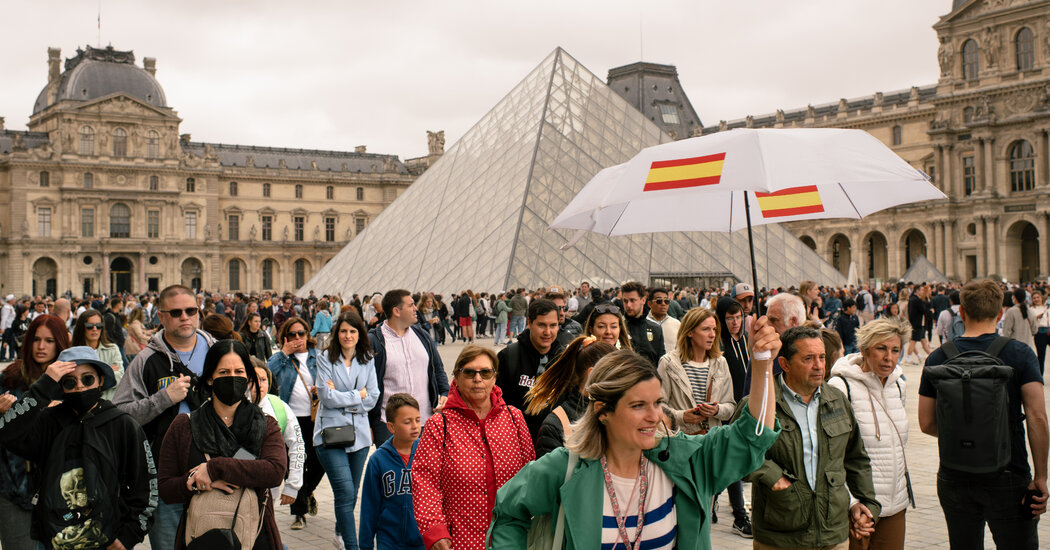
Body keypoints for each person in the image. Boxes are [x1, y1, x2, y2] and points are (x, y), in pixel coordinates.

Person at [488, 317, 783, 550]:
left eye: (657, 402)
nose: (655, 416)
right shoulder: (565, 467)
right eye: (638, 405)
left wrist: (763, 366)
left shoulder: (685, 460)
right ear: (603, 410)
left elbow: (751, 437)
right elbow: (508, 512)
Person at [918, 279, 1048, 549]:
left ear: (961, 312)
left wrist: (966, 433)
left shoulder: (938, 358)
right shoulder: (1020, 353)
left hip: (954, 473)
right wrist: (1041, 477)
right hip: (1009, 471)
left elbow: (926, 423)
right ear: (1000, 313)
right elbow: (1037, 417)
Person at [736, 325, 881, 549]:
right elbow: (736, 453)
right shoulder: (760, 403)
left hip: (833, 535)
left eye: (822, 357)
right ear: (785, 364)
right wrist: (770, 474)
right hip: (780, 536)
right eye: (808, 359)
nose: (819, 366)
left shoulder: (837, 400)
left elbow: (856, 458)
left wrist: (866, 503)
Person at [0, 345, 156, 550]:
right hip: (53, 540)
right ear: (61, 387)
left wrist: (129, 535)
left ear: (101, 380)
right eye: (70, 382)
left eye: (88, 379)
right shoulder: (49, 422)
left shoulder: (122, 425)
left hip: (108, 541)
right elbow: (7, 432)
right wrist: (43, 386)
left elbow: (146, 487)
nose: (80, 387)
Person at [157, 340, 288, 550]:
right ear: (210, 378)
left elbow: (274, 471)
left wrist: (214, 468)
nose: (232, 378)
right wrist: (197, 482)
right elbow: (165, 487)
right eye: (224, 372)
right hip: (201, 537)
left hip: (255, 538)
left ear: (248, 377)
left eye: (239, 371)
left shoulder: (265, 425)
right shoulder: (185, 426)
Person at [111, 285, 213, 550]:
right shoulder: (146, 361)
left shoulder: (219, 352)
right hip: (165, 474)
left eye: (191, 310)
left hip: (215, 469)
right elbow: (119, 414)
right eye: (176, 312)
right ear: (161, 316)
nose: (185, 317)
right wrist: (163, 399)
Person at [413, 345, 534, 550]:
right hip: (460, 540)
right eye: (469, 372)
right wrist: (435, 531)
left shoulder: (514, 418)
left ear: (494, 377)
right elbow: (425, 482)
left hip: (512, 538)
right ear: (457, 379)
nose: (478, 379)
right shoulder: (439, 425)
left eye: (485, 372)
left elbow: (530, 474)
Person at [657, 307, 752, 537]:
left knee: (704, 509)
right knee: (677, 508)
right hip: (680, 444)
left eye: (714, 329)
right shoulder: (668, 363)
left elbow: (731, 406)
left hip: (710, 444)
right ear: (690, 332)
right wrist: (681, 416)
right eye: (706, 329)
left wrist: (717, 409)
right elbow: (658, 405)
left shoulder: (720, 363)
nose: (712, 334)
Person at [829, 317, 913, 549]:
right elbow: (832, 454)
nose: (889, 357)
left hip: (895, 503)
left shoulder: (898, 385)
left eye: (895, 350)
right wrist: (853, 502)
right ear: (865, 350)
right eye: (881, 349)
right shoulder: (840, 387)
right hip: (858, 507)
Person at [0, 315, 70, 550]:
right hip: (14, 487)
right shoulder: (10, 378)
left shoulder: (72, 381)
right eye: (37, 339)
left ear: (60, 343)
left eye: (49, 340)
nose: (41, 347)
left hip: (60, 490)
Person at [315, 311, 380, 550]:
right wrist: (357, 395)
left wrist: (342, 396)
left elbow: (373, 397)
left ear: (359, 333)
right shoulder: (324, 357)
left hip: (359, 435)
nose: (347, 335)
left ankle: (339, 532)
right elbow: (326, 397)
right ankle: (354, 547)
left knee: (352, 493)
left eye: (352, 331)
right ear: (336, 333)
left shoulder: (367, 359)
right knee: (344, 492)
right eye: (343, 331)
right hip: (330, 433)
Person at [266, 315, 325, 531]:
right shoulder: (282, 358)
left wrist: (323, 388)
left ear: (308, 335)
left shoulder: (317, 357)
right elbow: (265, 373)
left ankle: (307, 491)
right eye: (292, 334)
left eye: (301, 333)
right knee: (295, 463)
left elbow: (330, 380)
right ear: (285, 337)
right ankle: (299, 513)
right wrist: (283, 353)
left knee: (320, 461)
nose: (298, 338)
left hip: (315, 418)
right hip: (290, 419)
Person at [369, 289, 449, 446]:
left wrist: (445, 392)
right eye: (411, 305)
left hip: (425, 420)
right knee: (394, 469)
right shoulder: (374, 340)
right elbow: (367, 383)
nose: (416, 309)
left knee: (424, 469)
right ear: (396, 311)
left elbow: (438, 368)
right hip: (389, 423)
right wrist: (370, 423)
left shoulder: (422, 335)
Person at [527, 336, 615, 458]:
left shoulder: (619, 414)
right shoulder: (556, 425)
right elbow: (550, 476)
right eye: (616, 375)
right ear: (592, 375)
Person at [359, 393, 425, 550]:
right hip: (389, 541)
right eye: (407, 422)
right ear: (391, 427)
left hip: (425, 541)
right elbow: (369, 507)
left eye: (417, 420)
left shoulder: (428, 454)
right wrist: (365, 544)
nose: (415, 426)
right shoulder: (378, 460)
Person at [496, 298, 564, 442]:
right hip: (514, 442)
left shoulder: (565, 360)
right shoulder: (507, 357)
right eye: (541, 325)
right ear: (529, 323)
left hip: (554, 444)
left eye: (553, 325)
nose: (548, 332)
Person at [250, 360, 305, 511]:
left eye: (263, 379)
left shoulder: (279, 406)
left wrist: (293, 485)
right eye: (253, 380)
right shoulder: (233, 407)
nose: (259, 385)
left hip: (270, 488)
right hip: (240, 484)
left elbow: (297, 445)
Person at [71, 309, 124, 401]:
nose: (95, 329)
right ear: (82, 327)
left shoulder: (112, 349)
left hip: (109, 403)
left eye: (99, 326)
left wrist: (90, 378)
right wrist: (108, 371)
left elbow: (120, 378)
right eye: (89, 326)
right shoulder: (73, 352)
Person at [619, 281, 665, 367]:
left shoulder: (656, 329)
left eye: (632, 300)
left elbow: (661, 362)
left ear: (643, 300)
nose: (628, 305)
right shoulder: (619, 328)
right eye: (625, 301)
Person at [647, 287, 681, 355]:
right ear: (650, 304)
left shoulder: (677, 324)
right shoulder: (643, 323)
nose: (663, 304)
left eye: (666, 301)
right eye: (659, 301)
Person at [1002, 287, 1037, 352]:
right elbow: (1034, 330)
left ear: (1014, 297)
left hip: (1014, 347)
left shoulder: (1011, 311)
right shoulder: (1031, 311)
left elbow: (1006, 332)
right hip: (1028, 347)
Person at [1032, 290, 1049, 375]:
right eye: (1034, 298)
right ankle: (1039, 376)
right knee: (1041, 357)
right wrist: (1037, 317)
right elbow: (1031, 321)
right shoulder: (1031, 309)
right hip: (1039, 334)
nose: (1036, 299)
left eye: (1038, 297)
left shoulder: (1047, 307)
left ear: (1041, 298)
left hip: (1049, 331)